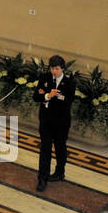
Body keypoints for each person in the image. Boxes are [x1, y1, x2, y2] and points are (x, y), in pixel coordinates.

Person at [34, 54, 76, 191]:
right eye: (52, 68)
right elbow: (36, 96)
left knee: (60, 148)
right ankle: (42, 178)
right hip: (46, 121)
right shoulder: (44, 78)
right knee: (45, 149)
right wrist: (48, 95)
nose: (54, 72)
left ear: (62, 69)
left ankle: (59, 172)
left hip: (61, 122)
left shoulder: (69, 83)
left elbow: (69, 101)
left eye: (57, 69)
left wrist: (55, 97)